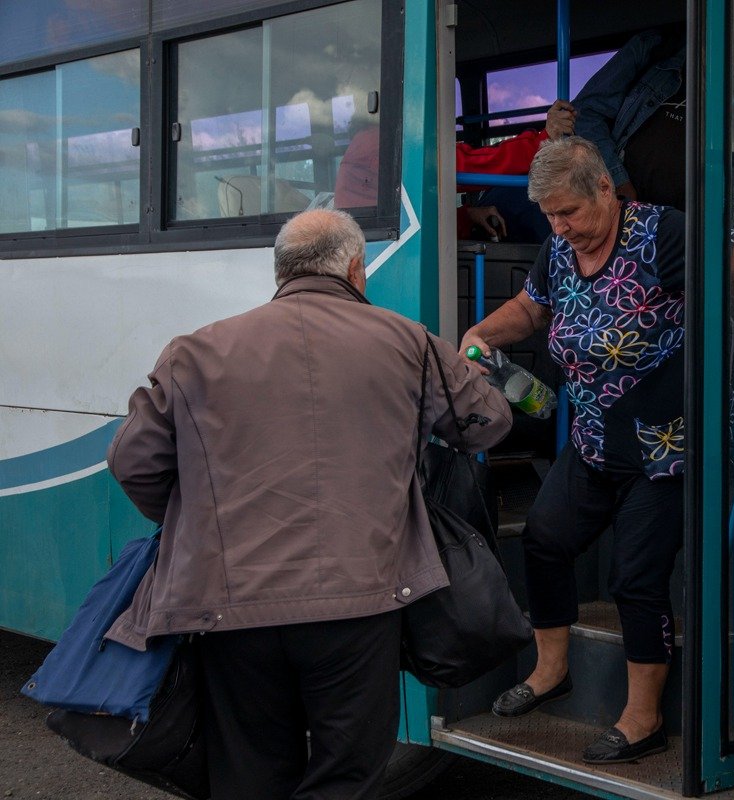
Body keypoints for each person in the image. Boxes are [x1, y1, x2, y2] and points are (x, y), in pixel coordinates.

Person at [104, 209, 512, 800]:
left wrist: (198, 525)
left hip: (231, 609)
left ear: (280, 271)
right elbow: (486, 424)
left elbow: (132, 462)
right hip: (361, 604)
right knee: (347, 773)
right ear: (354, 269)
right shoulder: (408, 342)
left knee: (248, 772)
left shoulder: (193, 351)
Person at [460, 137, 686, 764]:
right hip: (592, 439)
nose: (559, 228)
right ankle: (550, 669)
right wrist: (478, 334)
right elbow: (530, 311)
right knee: (544, 539)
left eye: (570, 214)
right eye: (551, 216)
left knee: (635, 579)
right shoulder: (560, 249)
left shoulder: (662, 234)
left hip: (662, 448)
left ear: (606, 192)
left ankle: (644, 718)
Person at [333, 99, 576, 241]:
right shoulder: (379, 144)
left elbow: (409, 217)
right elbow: (463, 164)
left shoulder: (365, 146)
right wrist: (542, 140)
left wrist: (466, 216)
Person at [572, 28, 686, 210]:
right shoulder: (655, 49)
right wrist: (617, 179)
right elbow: (585, 113)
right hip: (629, 212)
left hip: (696, 222)